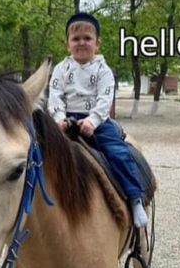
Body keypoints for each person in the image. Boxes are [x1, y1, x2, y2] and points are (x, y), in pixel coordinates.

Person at [48, 12, 148, 228]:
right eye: (76, 39)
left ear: (97, 43)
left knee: (118, 152)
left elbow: (105, 99)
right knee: (37, 152)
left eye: (87, 38)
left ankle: (134, 197)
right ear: (67, 44)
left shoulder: (104, 70)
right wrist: (59, 118)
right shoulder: (60, 69)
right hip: (66, 120)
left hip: (98, 122)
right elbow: (55, 96)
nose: (81, 43)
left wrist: (92, 121)